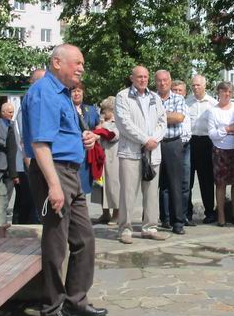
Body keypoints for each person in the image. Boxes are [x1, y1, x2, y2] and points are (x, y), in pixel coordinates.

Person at [23, 44, 107, 316]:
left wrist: (85, 137)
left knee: (84, 239)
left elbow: (62, 133)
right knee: (56, 244)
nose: (82, 68)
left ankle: (76, 299)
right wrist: (54, 186)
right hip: (55, 173)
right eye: (77, 62)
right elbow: (40, 144)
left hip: (71, 172)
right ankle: (52, 307)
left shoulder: (63, 93)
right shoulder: (44, 92)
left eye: (82, 63)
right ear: (57, 62)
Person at [115, 65, 168, 244]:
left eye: (145, 76)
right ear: (132, 78)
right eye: (139, 76)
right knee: (128, 193)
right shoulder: (123, 96)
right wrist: (145, 139)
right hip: (131, 152)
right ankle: (125, 229)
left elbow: (163, 121)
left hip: (153, 151)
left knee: (152, 193)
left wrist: (155, 139)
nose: (143, 80)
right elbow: (124, 123)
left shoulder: (154, 97)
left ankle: (150, 228)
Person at [156, 70, 189, 234]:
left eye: (165, 80)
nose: (162, 83)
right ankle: (164, 219)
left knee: (175, 184)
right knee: (158, 184)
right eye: (159, 80)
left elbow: (179, 118)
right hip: (155, 144)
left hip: (173, 143)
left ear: (170, 81)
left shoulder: (178, 98)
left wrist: (157, 116)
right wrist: (167, 116)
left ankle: (178, 222)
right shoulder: (151, 98)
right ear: (155, 82)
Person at [12, 69, 47, 224]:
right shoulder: (28, 104)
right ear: (33, 83)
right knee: (31, 206)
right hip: (30, 165)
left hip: (36, 164)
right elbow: (24, 141)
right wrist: (32, 167)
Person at [207, 82, 234, 226]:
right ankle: (221, 215)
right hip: (219, 150)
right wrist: (228, 129)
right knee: (220, 184)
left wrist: (223, 130)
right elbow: (212, 134)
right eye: (224, 91)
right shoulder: (213, 111)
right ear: (218, 93)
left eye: (229, 92)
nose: (227, 94)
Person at [186, 74, 218, 224]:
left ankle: (210, 212)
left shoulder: (213, 103)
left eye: (198, 85)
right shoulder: (187, 102)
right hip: (190, 142)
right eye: (193, 85)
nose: (195, 88)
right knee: (187, 180)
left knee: (206, 180)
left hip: (206, 142)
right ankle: (187, 212)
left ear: (205, 85)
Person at [171, 80, 195, 225]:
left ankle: (184, 215)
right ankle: (168, 217)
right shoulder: (167, 105)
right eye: (175, 90)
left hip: (186, 146)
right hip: (171, 145)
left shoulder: (187, 106)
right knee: (169, 183)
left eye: (180, 90)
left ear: (185, 93)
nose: (178, 93)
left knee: (185, 183)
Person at [93, 96, 120, 225]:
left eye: (105, 110)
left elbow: (113, 136)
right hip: (100, 157)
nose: (103, 112)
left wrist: (102, 127)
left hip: (113, 157)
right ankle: (105, 213)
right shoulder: (101, 122)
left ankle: (117, 213)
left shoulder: (118, 122)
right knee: (101, 185)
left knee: (113, 185)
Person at [72, 85, 100, 196]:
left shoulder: (91, 110)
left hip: (89, 154)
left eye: (79, 91)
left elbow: (99, 127)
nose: (76, 94)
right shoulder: (66, 109)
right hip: (73, 153)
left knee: (84, 189)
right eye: (73, 91)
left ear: (83, 92)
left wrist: (95, 135)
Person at [0, 102, 18, 209]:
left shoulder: (14, 124)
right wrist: (10, 145)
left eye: (13, 112)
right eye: (10, 112)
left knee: (8, 190)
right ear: (3, 112)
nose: (12, 114)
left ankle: (3, 209)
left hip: (11, 164)